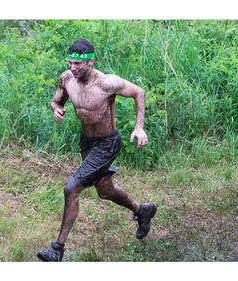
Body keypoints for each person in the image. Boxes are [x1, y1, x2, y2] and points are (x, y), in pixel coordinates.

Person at [37, 38, 157, 262]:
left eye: (78, 64)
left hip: (106, 143)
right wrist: (57, 109)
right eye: (70, 63)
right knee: (105, 191)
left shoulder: (107, 83)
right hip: (87, 142)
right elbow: (57, 101)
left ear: (90, 62)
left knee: (71, 190)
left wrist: (139, 127)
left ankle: (57, 248)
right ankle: (143, 210)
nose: (73, 68)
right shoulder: (66, 78)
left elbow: (139, 92)